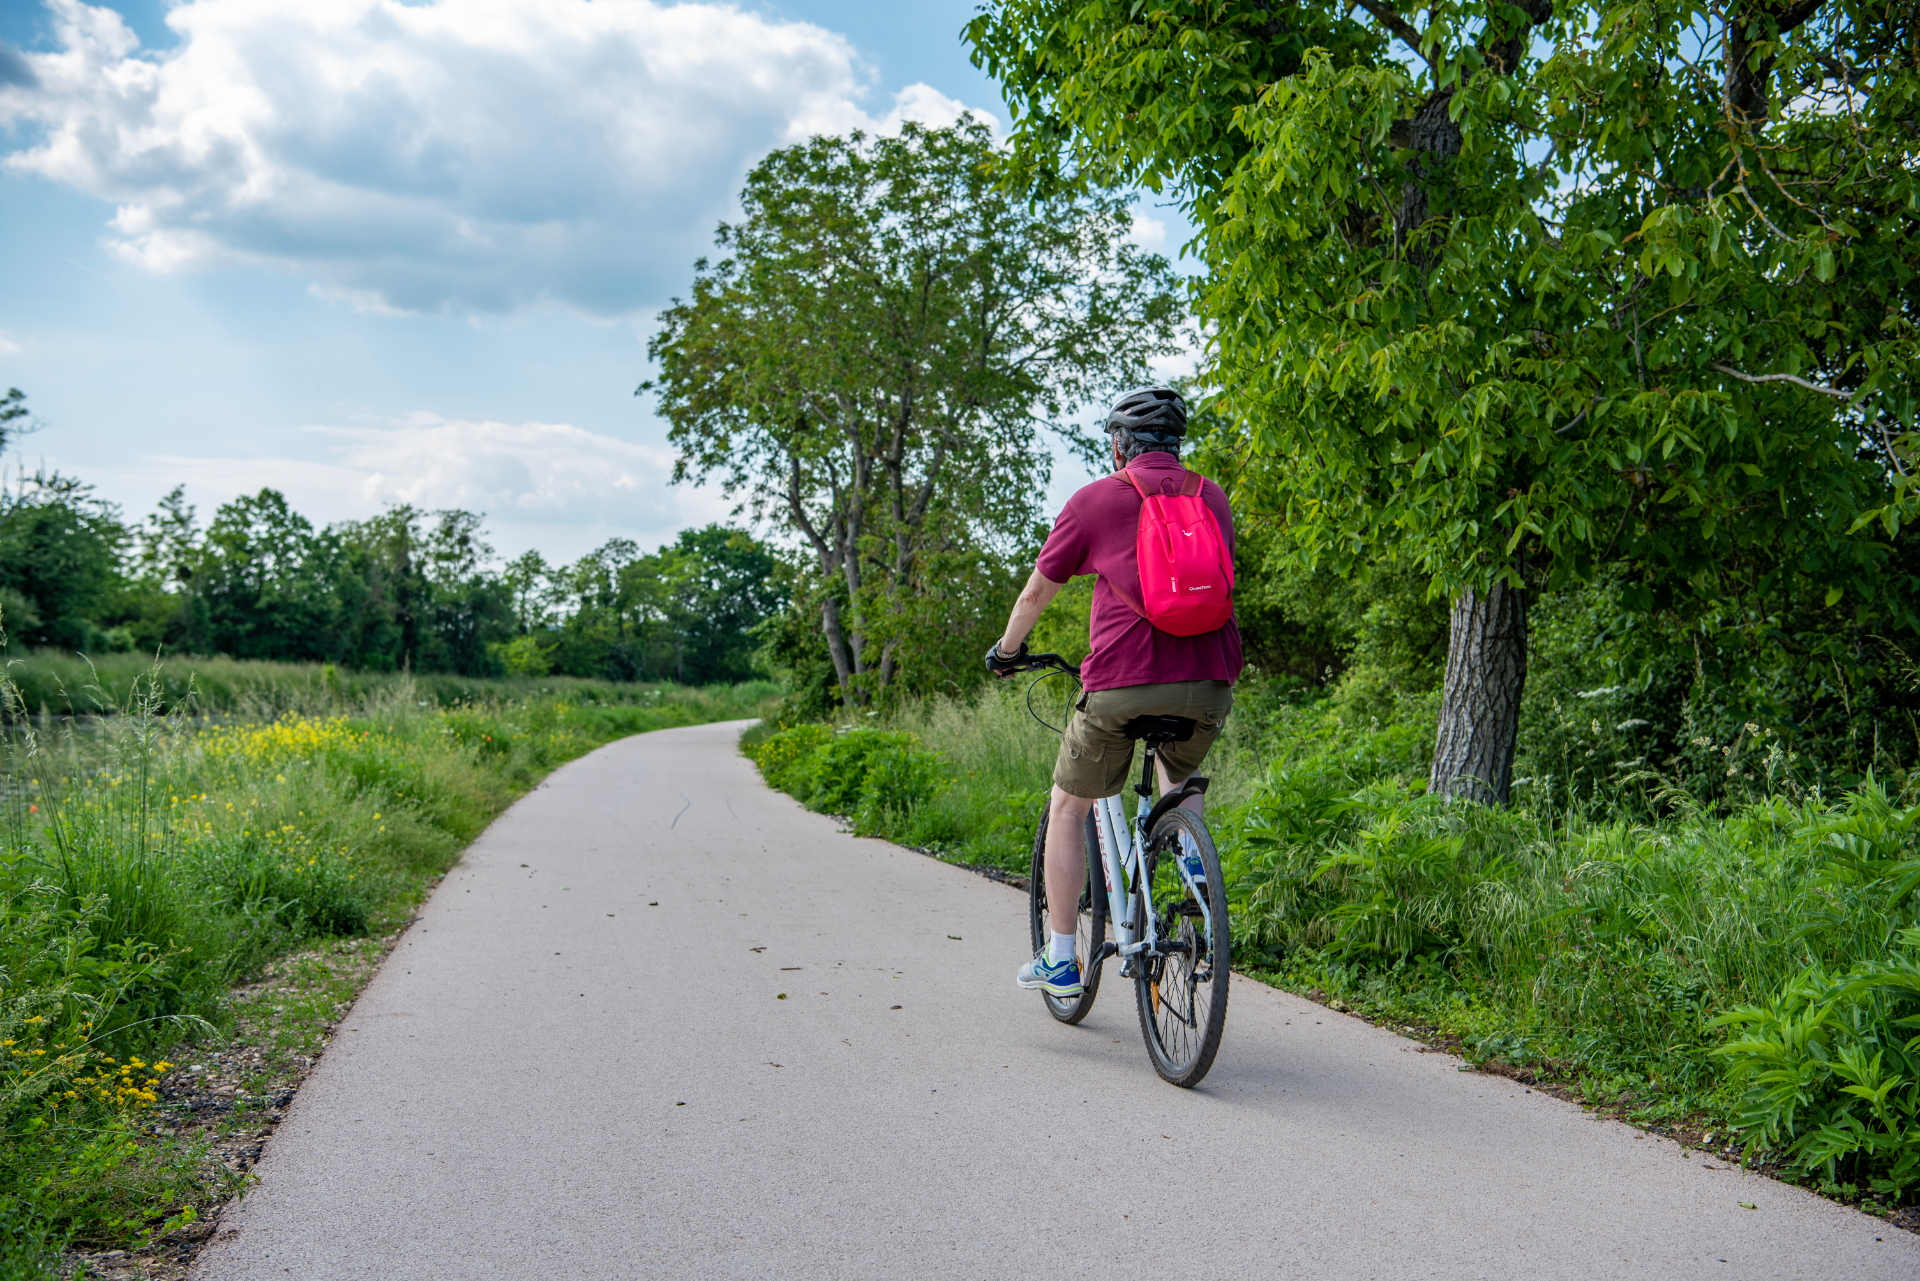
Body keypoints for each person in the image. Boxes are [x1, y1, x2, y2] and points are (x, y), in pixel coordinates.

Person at [986, 387, 1243, 997]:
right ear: (1177, 444)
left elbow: (1035, 595)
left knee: (1069, 805)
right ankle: (1194, 875)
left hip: (1121, 686)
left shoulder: (1096, 500)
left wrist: (1006, 651)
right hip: (1209, 684)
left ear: (1119, 443)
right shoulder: (1212, 497)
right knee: (1176, 775)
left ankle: (1063, 959)